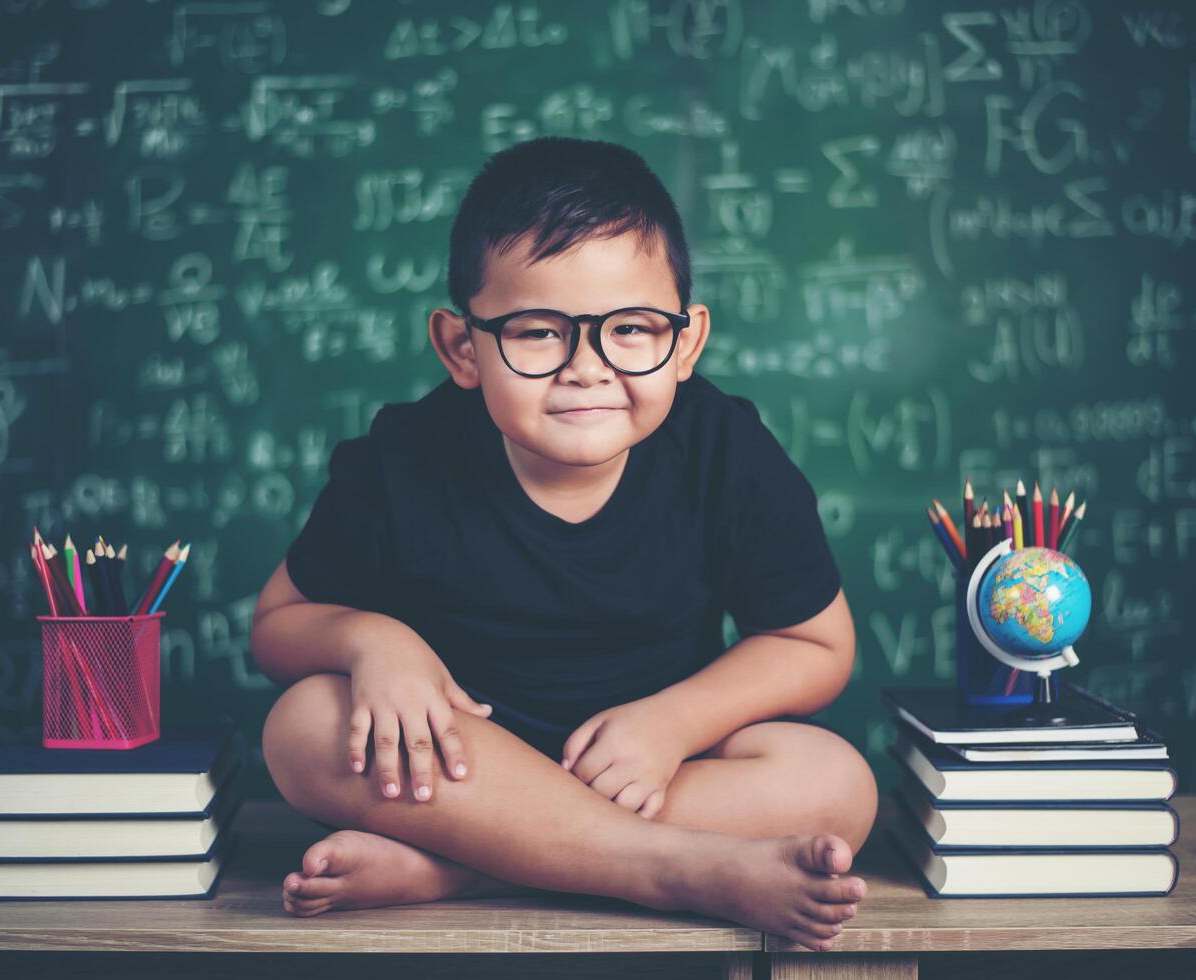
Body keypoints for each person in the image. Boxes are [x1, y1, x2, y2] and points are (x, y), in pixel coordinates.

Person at [252, 136, 877, 952]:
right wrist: (374, 640)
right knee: (303, 725)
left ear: (685, 342)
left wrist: (672, 723)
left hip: (650, 771)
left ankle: (464, 872)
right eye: (539, 332)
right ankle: (673, 870)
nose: (587, 368)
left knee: (836, 782)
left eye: (631, 329)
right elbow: (276, 628)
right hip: (463, 772)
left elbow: (816, 644)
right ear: (460, 348)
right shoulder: (403, 460)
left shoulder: (725, 450)